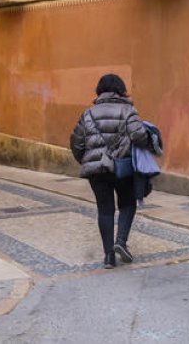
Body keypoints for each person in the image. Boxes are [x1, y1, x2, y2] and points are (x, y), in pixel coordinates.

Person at [70, 73, 150, 269]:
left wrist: (89, 161)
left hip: (97, 170)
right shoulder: (128, 110)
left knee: (104, 210)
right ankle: (120, 242)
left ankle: (108, 256)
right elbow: (139, 137)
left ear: (100, 90)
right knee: (127, 204)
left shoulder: (88, 114)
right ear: (121, 89)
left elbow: (76, 143)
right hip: (123, 167)